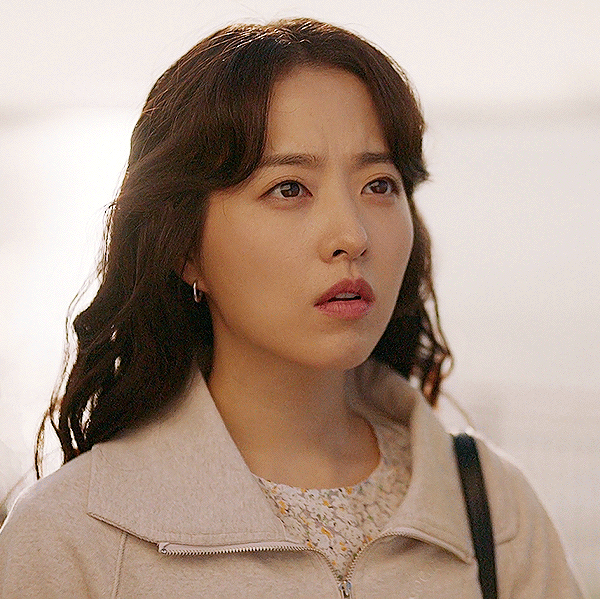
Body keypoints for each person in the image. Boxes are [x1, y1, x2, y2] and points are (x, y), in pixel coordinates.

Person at [0, 18, 585, 599]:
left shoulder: (493, 509)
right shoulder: (71, 539)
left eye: (379, 184)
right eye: (289, 188)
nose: (352, 235)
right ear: (184, 249)